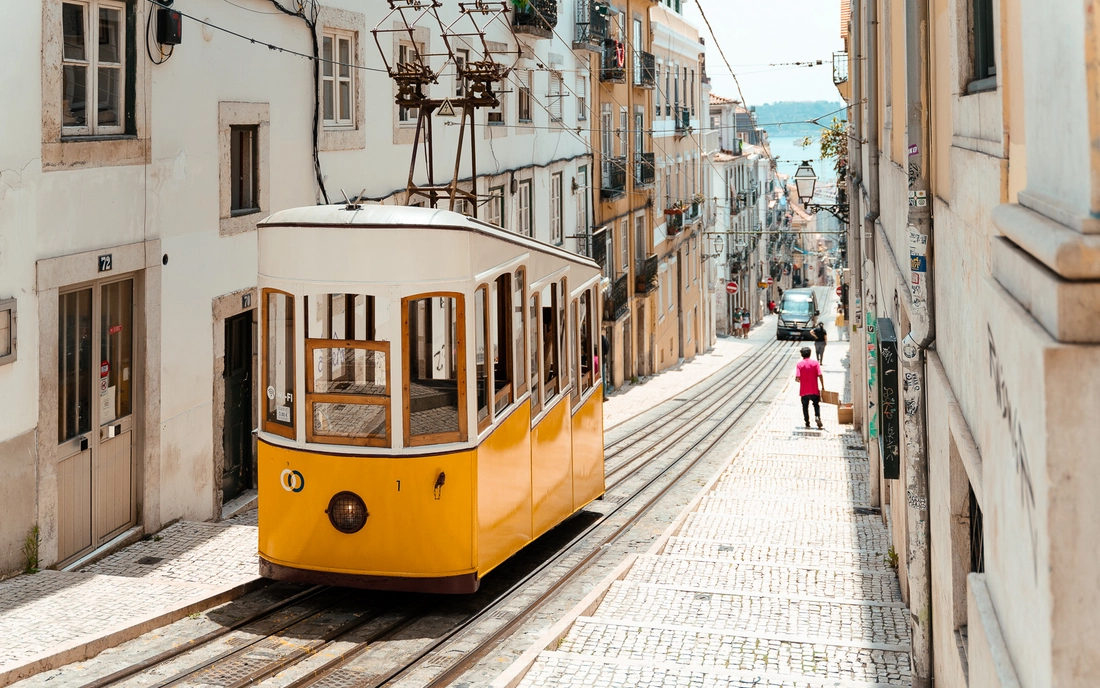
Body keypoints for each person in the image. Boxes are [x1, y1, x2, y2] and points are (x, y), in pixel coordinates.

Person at [795, 346, 825, 429]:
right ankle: (817, 416)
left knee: (805, 407)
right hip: (814, 389)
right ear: (810, 354)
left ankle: (807, 422)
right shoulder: (815, 363)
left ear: (802, 355)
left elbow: (797, 378)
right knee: (816, 404)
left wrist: (802, 380)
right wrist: (822, 386)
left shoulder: (799, 364)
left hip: (804, 390)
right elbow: (820, 375)